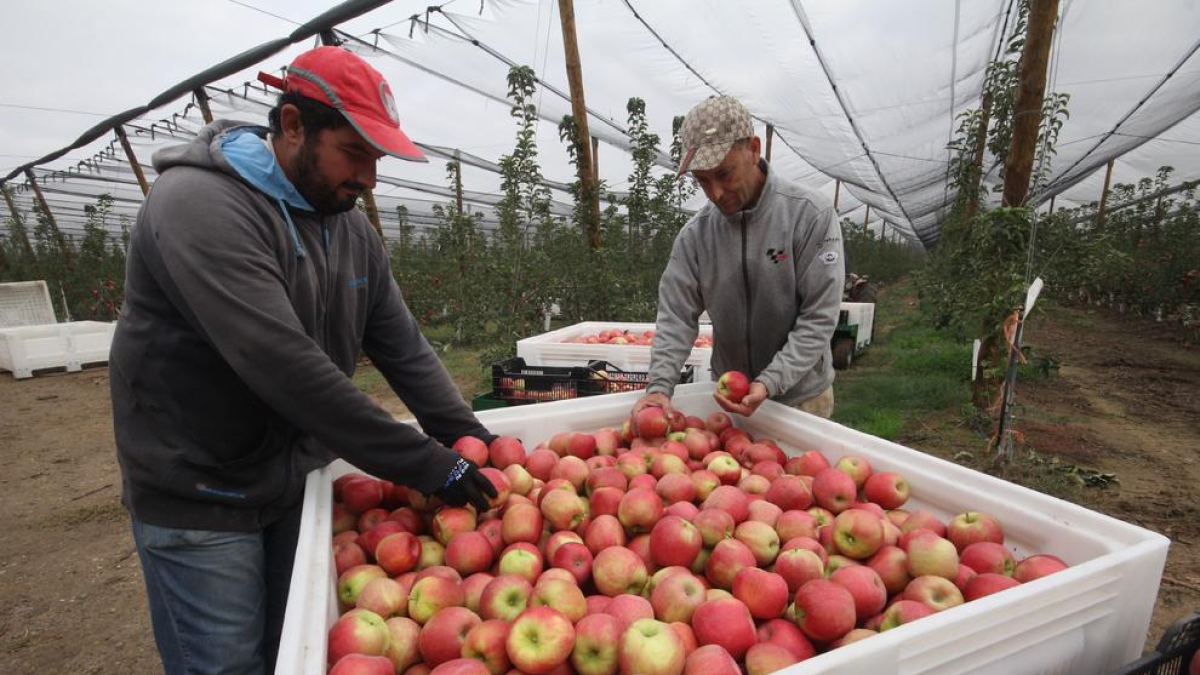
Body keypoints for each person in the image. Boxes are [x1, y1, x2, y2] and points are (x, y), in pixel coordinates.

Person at [109, 46, 496, 675]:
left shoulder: (347, 227)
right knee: (227, 665)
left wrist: (470, 438)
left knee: (292, 654)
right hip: (200, 489)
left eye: (377, 158)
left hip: (294, 483)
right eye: (355, 152)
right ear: (293, 126)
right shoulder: (200, 207)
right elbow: (283, 365)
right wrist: (430, 464)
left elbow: (401, 345)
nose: (370, 177)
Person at [632, 96, 845, 423]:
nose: (715, 193)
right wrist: (659, 387)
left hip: (802, 399)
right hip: (730, 399)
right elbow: (676, 316)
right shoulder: (696, 237)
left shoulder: (809, 215)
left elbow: (819, 316)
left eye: (724, 173)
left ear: (754, 149)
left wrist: (770, 381)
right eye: (702, 181)